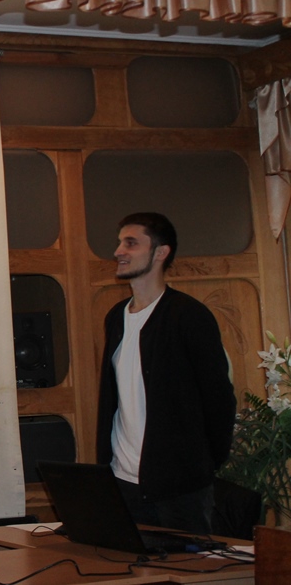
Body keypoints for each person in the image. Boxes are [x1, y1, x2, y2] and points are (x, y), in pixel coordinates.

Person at [96, 212, 236, 534]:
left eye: (131, 243)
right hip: (123, 480)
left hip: (180, 487)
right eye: (119, 243)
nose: (118, 251)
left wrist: (203, 463)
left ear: (161, 252)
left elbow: (218, 399)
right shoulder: (115, 317)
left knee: (188, 563)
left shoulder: (189, 316)